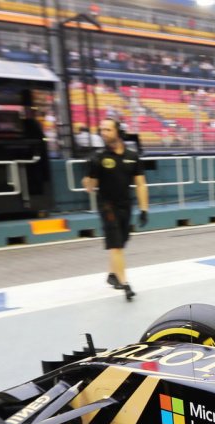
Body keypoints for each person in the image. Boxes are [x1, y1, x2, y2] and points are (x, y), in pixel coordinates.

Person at [82, 118, 149, 301]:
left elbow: (141, 184)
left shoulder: (132, 156)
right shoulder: (100, 157)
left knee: (122, 241)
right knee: (117, 245)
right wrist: (89, 172)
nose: (104, 133)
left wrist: (144, 209)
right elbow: (89, 186)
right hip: (107, 205)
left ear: (118, 132)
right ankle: (125, 283)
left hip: (125, 204)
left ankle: (112, 275)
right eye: (102, 129)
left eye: (108, 129)